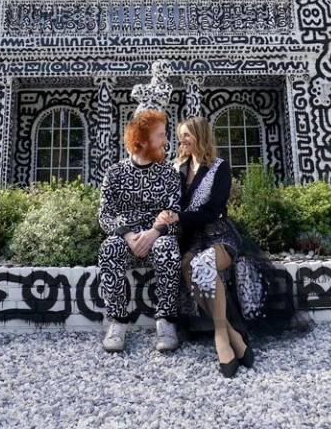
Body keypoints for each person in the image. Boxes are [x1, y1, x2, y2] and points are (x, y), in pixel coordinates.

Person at [155, 116, 305, 377]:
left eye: (187, 135)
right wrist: (167, 215)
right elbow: (172, 202)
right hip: (192, 237)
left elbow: (213, 210)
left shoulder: (219, 167)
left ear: (201, 135)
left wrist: (179, 216)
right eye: (180, 136)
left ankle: (221, 338)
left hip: (219, 234)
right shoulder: (178, 167)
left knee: (204, 264)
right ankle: (233, 334)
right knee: (189, 268)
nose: (182, 140)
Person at [97, 109, 183, 353]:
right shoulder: (115, 173)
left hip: (158, 237)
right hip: (126, 237)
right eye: (161, 136)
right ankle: (118, 322)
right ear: (142, 141)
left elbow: (174, 213)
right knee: (108, 249)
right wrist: (127, 234)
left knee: (168, 249)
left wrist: (154, 233)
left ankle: (166, 321)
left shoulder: (168, 173)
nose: (167, 141)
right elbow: (104, 215)